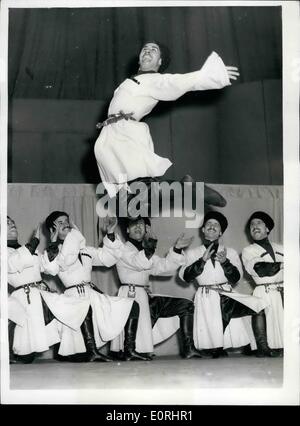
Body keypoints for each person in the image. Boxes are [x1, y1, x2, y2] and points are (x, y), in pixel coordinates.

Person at [94, 41, 239, 207]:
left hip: (124, 136)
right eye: (145, 49)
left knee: (138, 191)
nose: (147, 51)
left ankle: (187, 189)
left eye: (153, 50)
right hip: (110, 136)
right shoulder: (132, 81)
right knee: (127, 199)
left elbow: (176, 83)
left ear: (160, 62)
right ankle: (182, 189)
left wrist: (211, 75)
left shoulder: (153, 79)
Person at [42, 211, 149, 362]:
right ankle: (92, 351)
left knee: (132, 305)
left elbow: (108, 258)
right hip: (74, 298)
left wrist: (111, 233)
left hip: (91, 294)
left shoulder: (86, 251)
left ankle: (129, 350)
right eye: (59, 223)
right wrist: (52, 245)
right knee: (85, 307)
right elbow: (51, 269)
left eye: (66, 221)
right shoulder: (54, 253)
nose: (65, 224)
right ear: (52, 230)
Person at [110, 216, 212, 359]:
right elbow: (140, 262)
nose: (138, 227)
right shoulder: (122, 249)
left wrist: (176, 250)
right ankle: (129, 350)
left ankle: (189, 348)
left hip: (145, 298)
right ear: (127, 229)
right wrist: (150, 245)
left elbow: (164, 267)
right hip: (131, 295)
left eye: (141, 225)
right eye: (134, 225)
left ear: (147, 229)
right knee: (135, 319)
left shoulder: (145, 252)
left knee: (186, 305)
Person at [178, 211, 267, 358]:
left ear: (220, 232)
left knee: (257, 305)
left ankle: (261, 347)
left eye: (216, 225)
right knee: (214, 350)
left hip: (227, 295)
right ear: (203, 229)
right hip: (206, 297)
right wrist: (202, 260)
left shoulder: (230, 252)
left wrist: (225, 262)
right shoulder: (192, 253)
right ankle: (216, 348)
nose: (212, 226)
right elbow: (185, 277)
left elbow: (236, 278)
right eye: (209, 224)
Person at [7, 216, 88, 364]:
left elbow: (47, 268)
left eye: (12, 222)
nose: (12, 224)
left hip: (39, 293)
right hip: (24, 297)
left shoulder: (26, 249)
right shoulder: (6, 251)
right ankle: (21, 354)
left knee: (66, 310)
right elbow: (13, 264)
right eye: (7, 223)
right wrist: (34, 241)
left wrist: (53, 243)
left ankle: (70, 351)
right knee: (26, 355)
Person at [242, 211, 283, 357]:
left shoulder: (281, 248)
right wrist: (284, 265)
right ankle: (263, 348)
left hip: (283, 292)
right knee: (264, 320)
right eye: (252, 225)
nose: (254, 226)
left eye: (258, 223)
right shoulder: (248, 251)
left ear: (267, 229)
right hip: (263, 292)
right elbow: (261, 269)